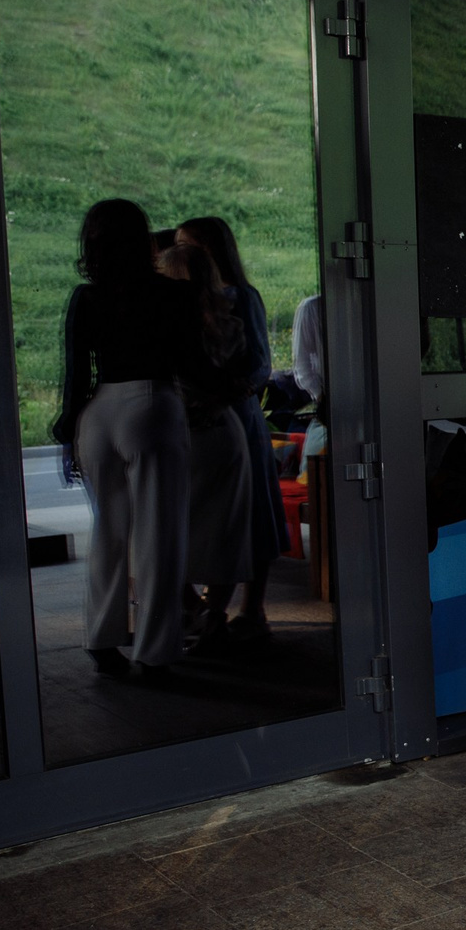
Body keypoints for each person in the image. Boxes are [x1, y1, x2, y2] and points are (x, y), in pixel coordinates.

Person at [51, 200, 204, 676]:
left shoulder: (86, 297)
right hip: (153, 404)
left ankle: (102, 636)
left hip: (99, 412)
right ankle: (157, 650)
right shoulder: (174, 295)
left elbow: (76, 374)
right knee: (159, 536)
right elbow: (192, 364)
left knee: (108, 531)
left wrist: (68, 431)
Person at [180, 216, 288, 641]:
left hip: (237, 413)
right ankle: (214, 609)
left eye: (189, 245)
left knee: (253, 508)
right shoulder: (193, 298)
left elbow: (260, 362)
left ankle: (252, 608)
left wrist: (225, 393)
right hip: (212, 412)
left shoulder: (241, 295)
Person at [161, 239, 254, 649]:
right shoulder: (228, 324)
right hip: (223, 431)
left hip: (179, 430)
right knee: (225, 530)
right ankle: (215, 615)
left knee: (167, 528)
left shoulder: (164, 329)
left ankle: (190, 609)